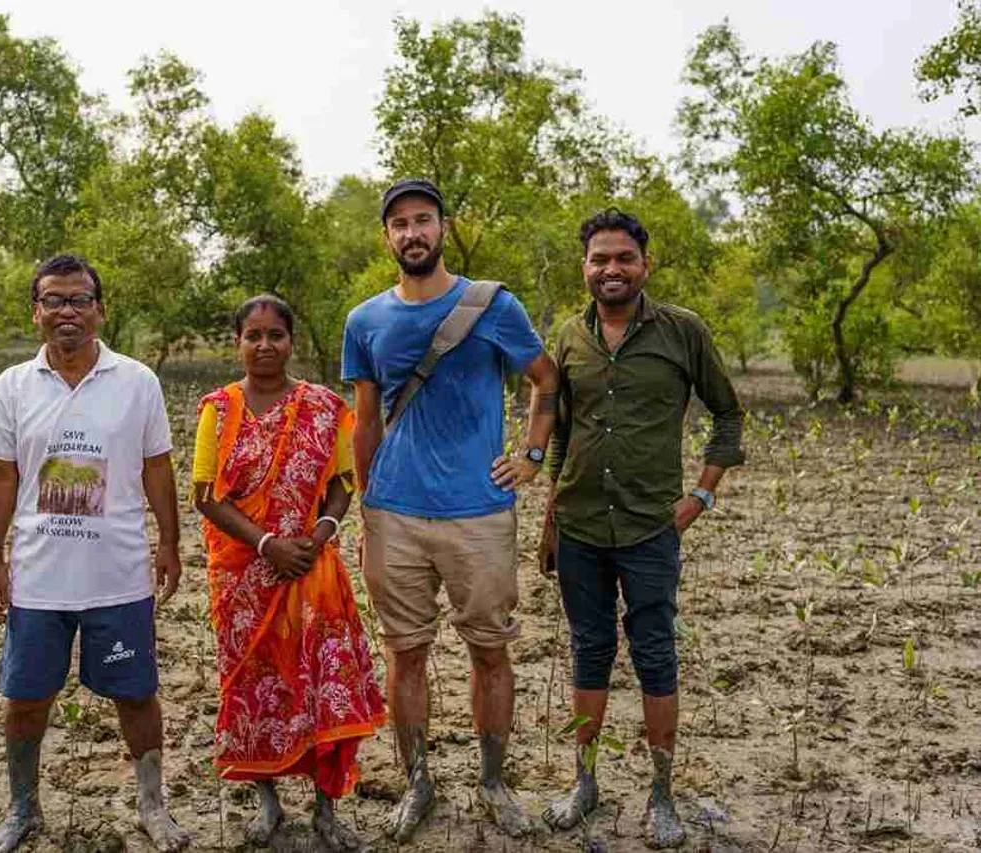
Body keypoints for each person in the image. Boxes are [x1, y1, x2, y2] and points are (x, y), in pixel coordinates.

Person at [342, 178, 559, 842]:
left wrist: (530, 456)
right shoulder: (365, 320)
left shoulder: (493, 305)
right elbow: (366, 419)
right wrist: (365, 507)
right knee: (404, 651)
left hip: (479, 512)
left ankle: (493, 782)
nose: (413, 233)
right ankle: (418, 782)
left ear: (443, 227)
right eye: (400, 224)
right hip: (395, 513)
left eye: (424, 220)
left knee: (489, 649)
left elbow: (546, 380)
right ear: (387, 237)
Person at [538, 209, 745, 848]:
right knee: (588, 649)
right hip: (577, 526)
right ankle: (586, 782)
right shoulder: (569, 336)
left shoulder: (682, 332)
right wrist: (549, 515)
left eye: (624, 258)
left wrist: (699, 498)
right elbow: (562, 433)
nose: (612, 270)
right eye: (600, 259)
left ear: (645, 265)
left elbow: (728, 416)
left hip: (651, 527)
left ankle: (661, 794)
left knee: (656, 653)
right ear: (585, 268)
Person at [0, 253, 191, 853]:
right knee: (24, 697)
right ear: (36, 312)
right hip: (38, 580)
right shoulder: (12, 387)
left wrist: (169, 542)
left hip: (119, 576)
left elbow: (157, 467)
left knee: (136, 693)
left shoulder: (137, 381)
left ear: (99, 310)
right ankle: (23, 809)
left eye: (78, 300)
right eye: (53, 300)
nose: (66, 311)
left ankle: (152, 805)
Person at [193, 294, 385, 852]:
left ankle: (327, 809)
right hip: (244, 578)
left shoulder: (323, 407)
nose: (264, 346)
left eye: (275, 335)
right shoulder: (219, 410)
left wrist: (318, 535)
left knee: (322, 686)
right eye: (253, 335)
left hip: (310, 570)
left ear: (291, 342)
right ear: (238, 344)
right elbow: (207, 494)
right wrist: (268, 544)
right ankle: (269, 803)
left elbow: (343, 481)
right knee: (256, 688)